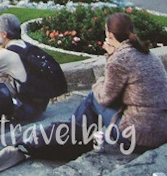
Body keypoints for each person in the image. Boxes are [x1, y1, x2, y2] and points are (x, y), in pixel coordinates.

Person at [67, 12, 167, 153]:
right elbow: (117, 82)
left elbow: (105, 98)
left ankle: (67, 137)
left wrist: (99, 81)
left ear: (110, 36)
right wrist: (112, 56)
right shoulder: (149, 54)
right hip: (161, 131)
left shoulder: (119, 59)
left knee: (92, 98)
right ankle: (74, 136)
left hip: (136, 138)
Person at [0, 13, 48, 122]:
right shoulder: (25, 46)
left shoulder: (5, 54)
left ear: (4, 34)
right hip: (39, 105)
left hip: (25, 110)